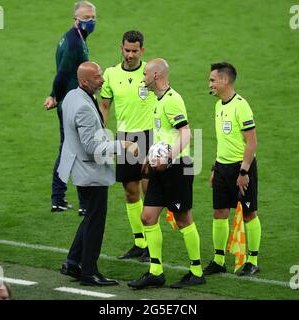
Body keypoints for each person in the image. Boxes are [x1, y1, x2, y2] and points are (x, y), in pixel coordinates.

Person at [58, 62, 139, 286]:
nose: (102, 80)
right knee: (96, 222)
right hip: (89, 172)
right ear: (84, 81)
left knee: (90, 217)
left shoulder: (72, 96)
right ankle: (89, 273)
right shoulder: (83, 106)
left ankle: (73, 262)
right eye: (97, 77)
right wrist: (121, 145)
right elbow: (91, 147)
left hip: (78, 166)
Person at [127, 59, 206, 289]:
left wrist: (168, 156)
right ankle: (156, 271)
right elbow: (163, 135)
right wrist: (150, 158)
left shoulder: (172, 101)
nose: (142, 78)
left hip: (177, 168)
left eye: (145, 74)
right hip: (159, 169)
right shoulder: (157, 101)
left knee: (183, 219)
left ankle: (196, 271)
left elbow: (186, 133)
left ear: (156, 76)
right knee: (147, 217)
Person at [100, 31, 157, 262]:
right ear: (121, 48)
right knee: (130, 192)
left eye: (135, 50)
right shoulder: (111, 74)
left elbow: (164, 102)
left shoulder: (151, 73)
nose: (130, 54)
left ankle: (152, 247)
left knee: (149, 192)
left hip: (149, 137)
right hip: (125, 139)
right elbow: (104, 106)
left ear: (142, 50)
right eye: (127, 50)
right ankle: (139, 243)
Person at [203, 62, 261, 277]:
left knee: (248, 213)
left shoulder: (241, 106)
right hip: (222, 168)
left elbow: (252, 142)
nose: (210, 84)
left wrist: (244, 172)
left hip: (240, 168)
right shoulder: (218, 106)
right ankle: (219, 260)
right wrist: (214, 168)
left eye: (212, 80)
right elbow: (223, 141)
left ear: (225, 80)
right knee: (219, 213)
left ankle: (252, 260)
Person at [43, 1, 97, 214]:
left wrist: (55, 95)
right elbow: (63, 73)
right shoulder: (75, 43)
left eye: (93, 17)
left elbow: (63, 73)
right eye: (85, 18)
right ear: (75, 19)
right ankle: (84, 204)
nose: (90, 21)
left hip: (70, 102)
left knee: (68, 149)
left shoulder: (72, 37)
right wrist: (55, 95)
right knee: (82, 151)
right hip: (73, 105)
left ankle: (58, 198)